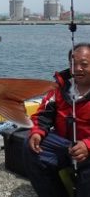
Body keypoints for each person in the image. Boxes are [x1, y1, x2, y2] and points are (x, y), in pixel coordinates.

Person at [24, 43, 90, 197]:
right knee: (30, 146)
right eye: (73, 64)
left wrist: (87, 145)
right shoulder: (60, 87)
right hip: (64, 145)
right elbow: (44, 114)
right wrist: (37, 132)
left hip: (87, 149)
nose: (78, 69)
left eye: (84, 64)